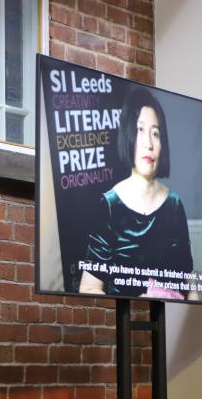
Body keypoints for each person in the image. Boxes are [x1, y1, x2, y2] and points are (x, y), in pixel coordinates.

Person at [79, 87, 194, 299]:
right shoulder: (110, 204)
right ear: (128, 135)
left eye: (155, 133)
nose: (148, 143)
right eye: (140, 130)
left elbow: (191, 287)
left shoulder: (174, 205)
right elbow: (87, 287)